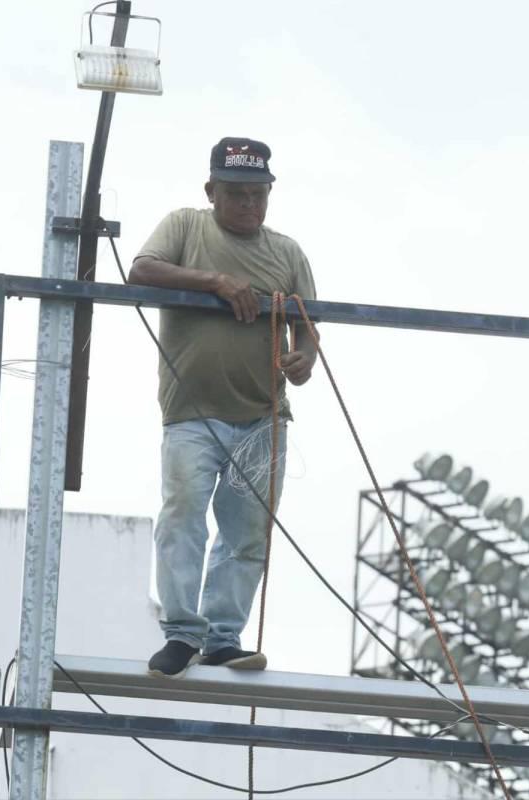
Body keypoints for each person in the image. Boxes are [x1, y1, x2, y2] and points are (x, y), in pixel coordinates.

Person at [129, 137, 319, 678]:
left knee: (247, 533)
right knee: (183, 517)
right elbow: (142, 270)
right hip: (192, 414)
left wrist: (302, 360)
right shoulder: (184, 227)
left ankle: (222, 637)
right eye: (236, 193)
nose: (249, 204)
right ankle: (181, 633)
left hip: (261, 416)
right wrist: (214, 281)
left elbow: (308, 328)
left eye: (259, 194)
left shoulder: (287, 254)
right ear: (211, 190)